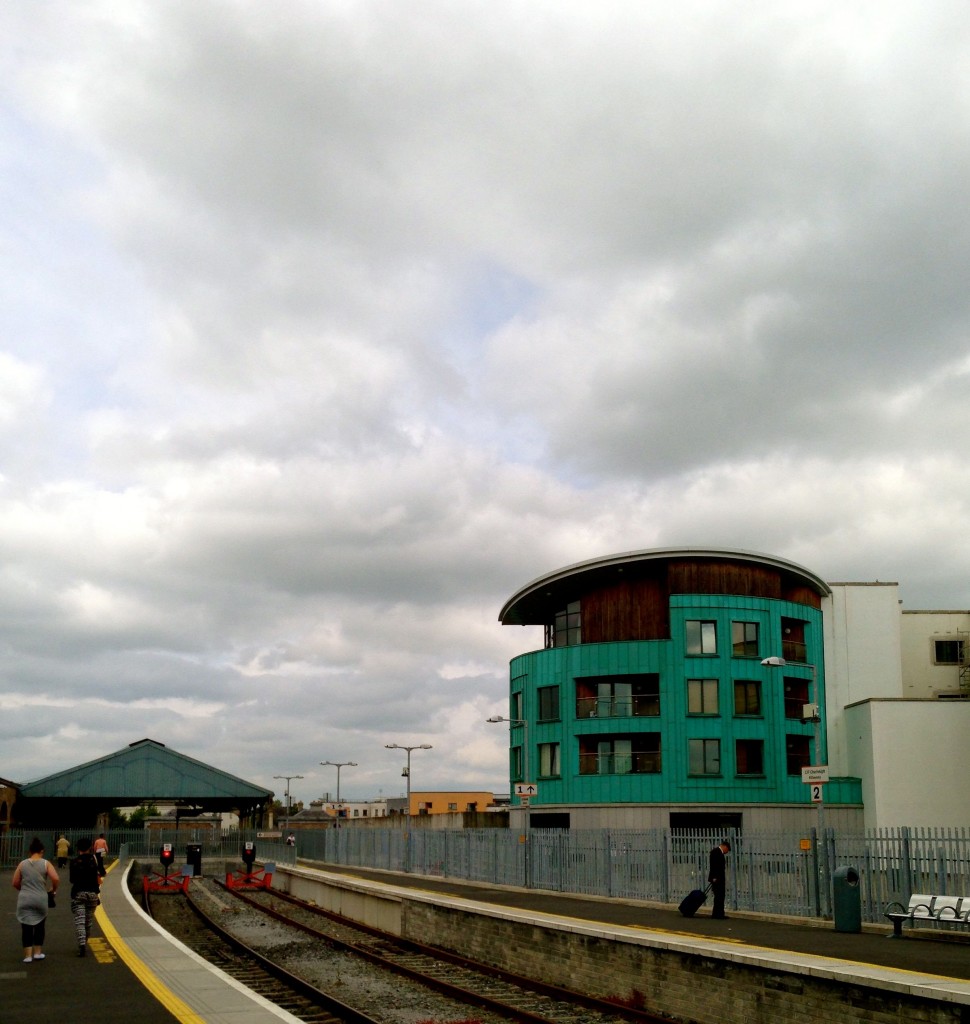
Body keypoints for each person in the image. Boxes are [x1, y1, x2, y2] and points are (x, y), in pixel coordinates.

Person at [12, 836, 59, 963]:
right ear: (42, 851)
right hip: (40, 897)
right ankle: (37, 953)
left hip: (25, 898)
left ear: (30, 851)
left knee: (26, 926)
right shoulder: (45, 863)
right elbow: (55, 878)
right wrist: (53, 889)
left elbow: (15, 882)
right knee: (39, 925)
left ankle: (27, 956)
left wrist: (23, 889)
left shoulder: (22, 864)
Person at [69, 838, 103, 957]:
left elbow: (72, 880)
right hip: (93, 894)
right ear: (90, 847)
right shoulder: (95, 859)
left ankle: (82, 945)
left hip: (79, 893)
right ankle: (85, 941)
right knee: (88, 922)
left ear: (78, 848)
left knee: (80, 921)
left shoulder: (74, 862)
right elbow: (102, 873)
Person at [708, 839, 731, 919]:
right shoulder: (716, 852)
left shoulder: (718, 852)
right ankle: (718, 914)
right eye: (727, 850)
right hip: (717, 878)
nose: (726, 852)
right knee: (719, 896)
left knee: (720, 896)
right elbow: (714, 865)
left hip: (719, 878)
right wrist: (714, 877)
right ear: (724, 846)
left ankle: (718, 913)